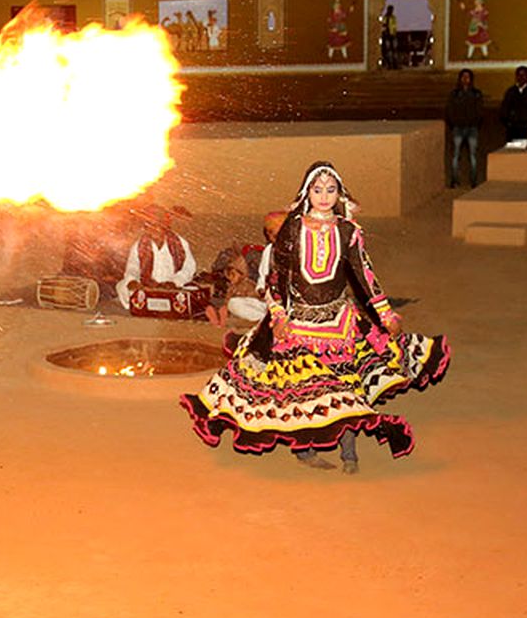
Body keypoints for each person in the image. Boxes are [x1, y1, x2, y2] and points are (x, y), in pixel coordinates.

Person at [181, 162, 451, 473]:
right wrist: (279, 314)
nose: (324, 196)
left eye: (330, 190)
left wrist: (385, 313)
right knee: (305, 390)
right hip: (298, 324)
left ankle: (349, 453)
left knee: (344, 386)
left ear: (339, 194)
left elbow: (364, 276)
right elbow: (275, 278)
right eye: (317, 189)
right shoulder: (292, 229)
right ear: (307, 192)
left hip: (339, 323)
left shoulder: (348, 231)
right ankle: (305, 451)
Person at [115, 203, 196, 309]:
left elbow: (189, 268)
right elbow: (132, 267)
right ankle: (148, 303)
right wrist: (132, 280)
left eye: (157, 224)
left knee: (190, 291)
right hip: (148, 286)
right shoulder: (139, 245)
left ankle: (150, 303)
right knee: (122, 286)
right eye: (149, 224)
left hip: (173, 286)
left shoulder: (179, 243)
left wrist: (174, 282)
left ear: (165, 225)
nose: (153, 228)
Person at [445, 68, 485, 187]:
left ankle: (473, 181)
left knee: (473, 156)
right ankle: (454, 181)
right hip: (457, 127)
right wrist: (454, 123)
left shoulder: (477, 94)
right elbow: (449, 110)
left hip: (472, 128)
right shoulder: (454, 94)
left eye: (467, 77)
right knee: (456, 156)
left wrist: (475, 123)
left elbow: (480, 111)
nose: (465, 79)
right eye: (463, 77)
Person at [379, 5, 398, 69]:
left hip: (393, 35)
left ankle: (395, 64)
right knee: (388, 50)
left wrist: (395, 33)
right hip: (387, 36)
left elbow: (395, 26)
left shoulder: (393, 17)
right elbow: (384, 26)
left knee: (394, 50)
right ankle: (390, 64)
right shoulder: (386, 18)